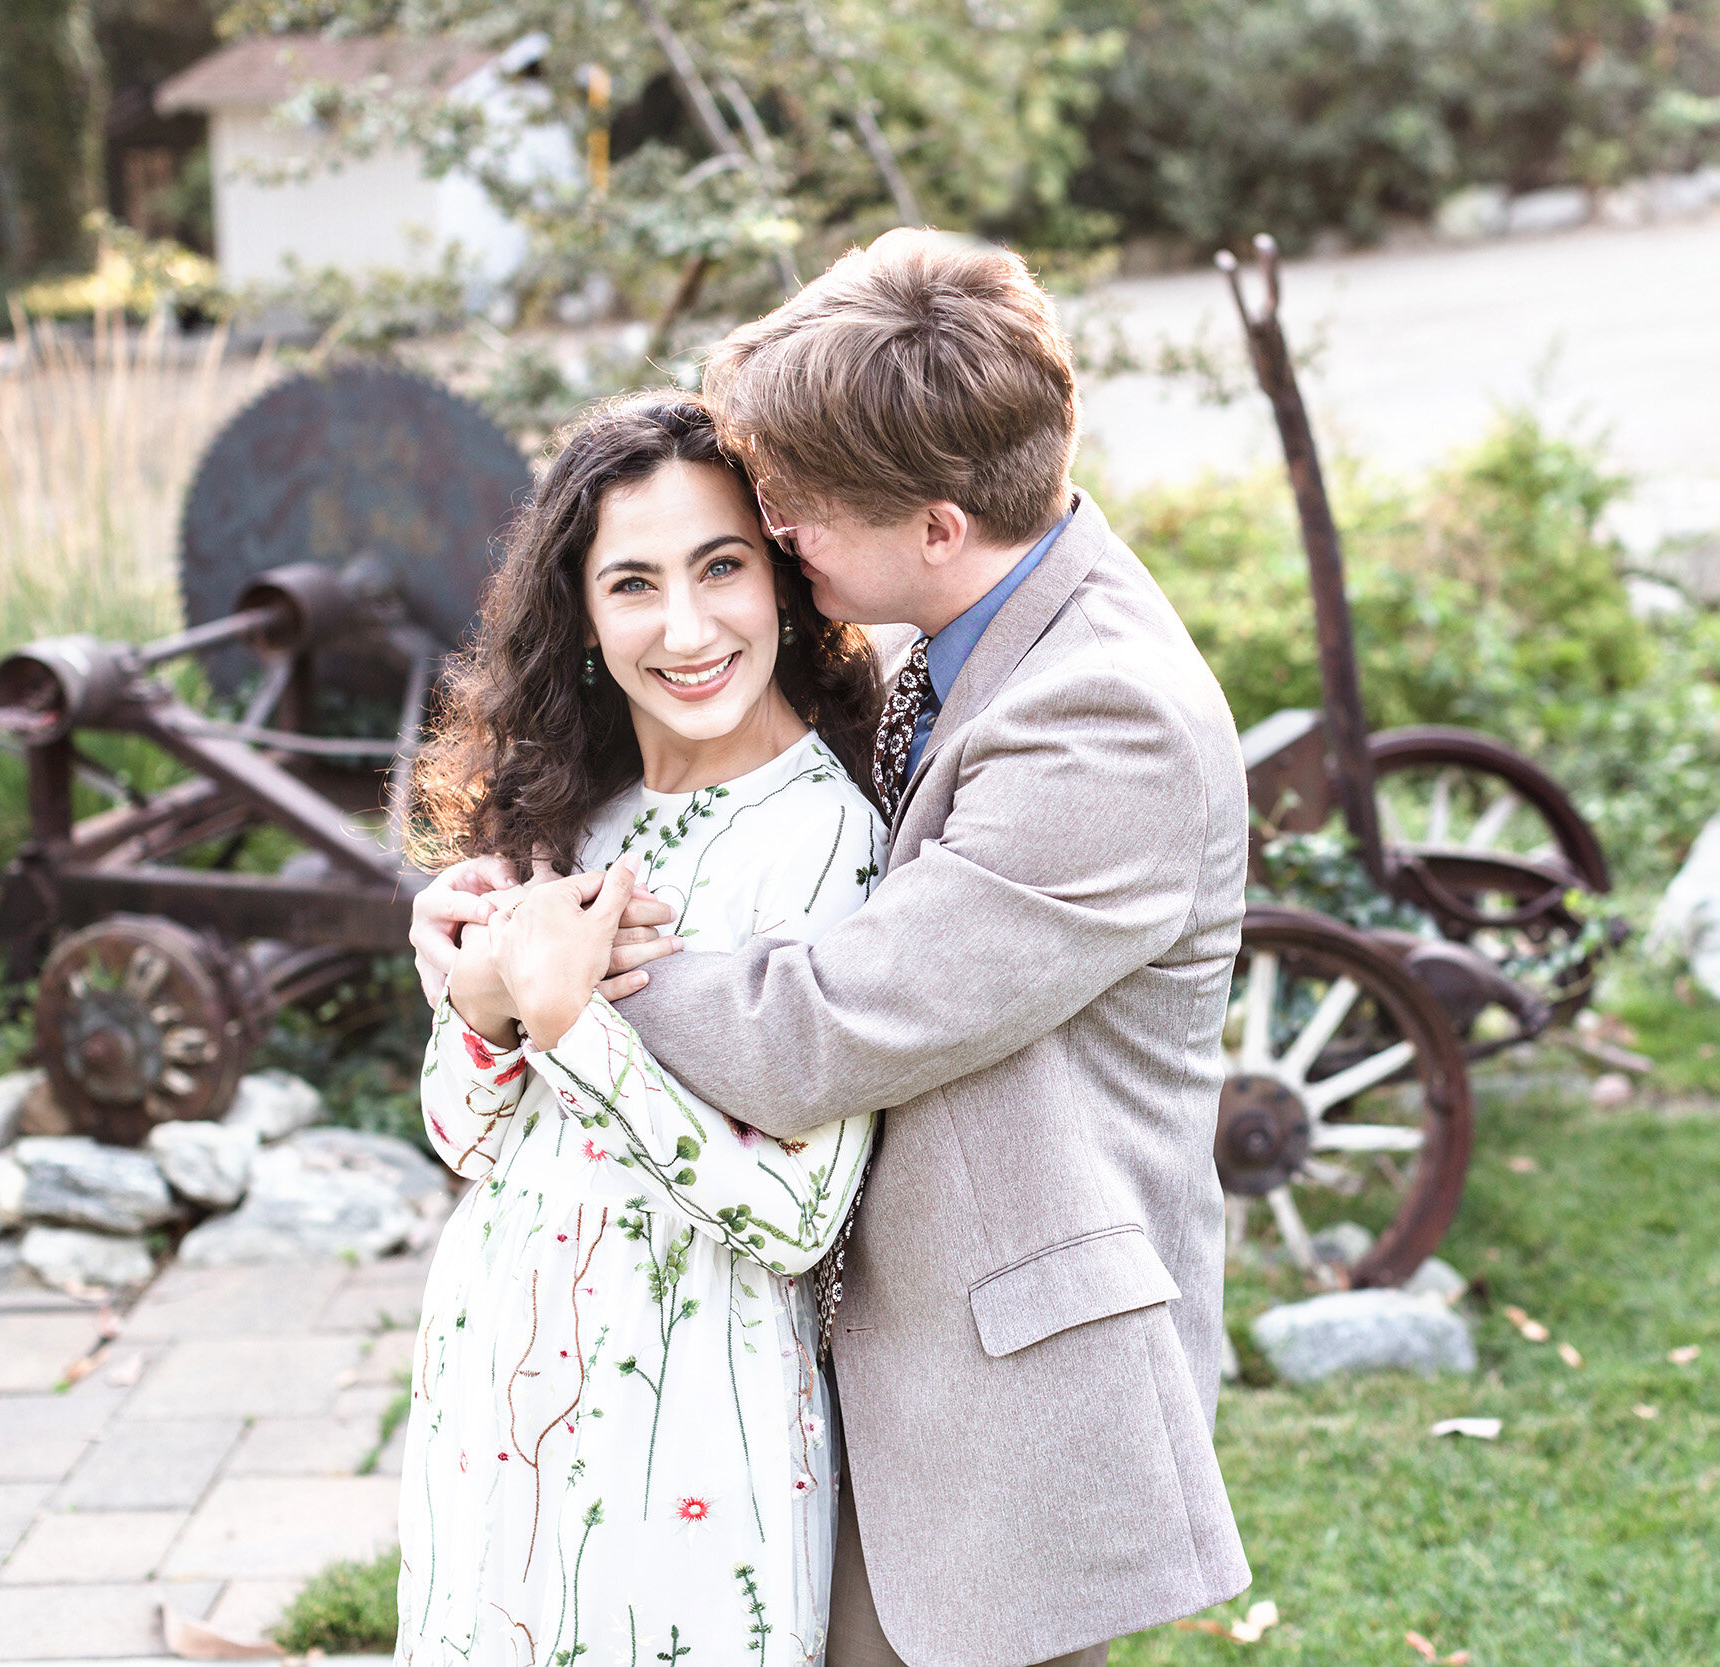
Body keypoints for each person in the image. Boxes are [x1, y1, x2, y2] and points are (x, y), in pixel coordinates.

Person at [414, 229, 1253, 1667]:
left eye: (795, 515)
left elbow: (828, 1020)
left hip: (1000, 1383)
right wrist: (498, 941)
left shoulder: (1107, 717)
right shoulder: (980, 625)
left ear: (935, 524)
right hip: (824, 1365)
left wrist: (548, 958)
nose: (785, 529)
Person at [395, 393, 890, 1666]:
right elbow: (465, 1138)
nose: (685, 626)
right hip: (490, 1380)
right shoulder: (580, 806)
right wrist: (483, 1004)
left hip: (681, 1421)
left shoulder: (826, 841)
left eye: (720, 565)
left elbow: (796, 1215)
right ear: (583, 612)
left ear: (785, 577)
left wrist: (569, 1020)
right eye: (633, 582)